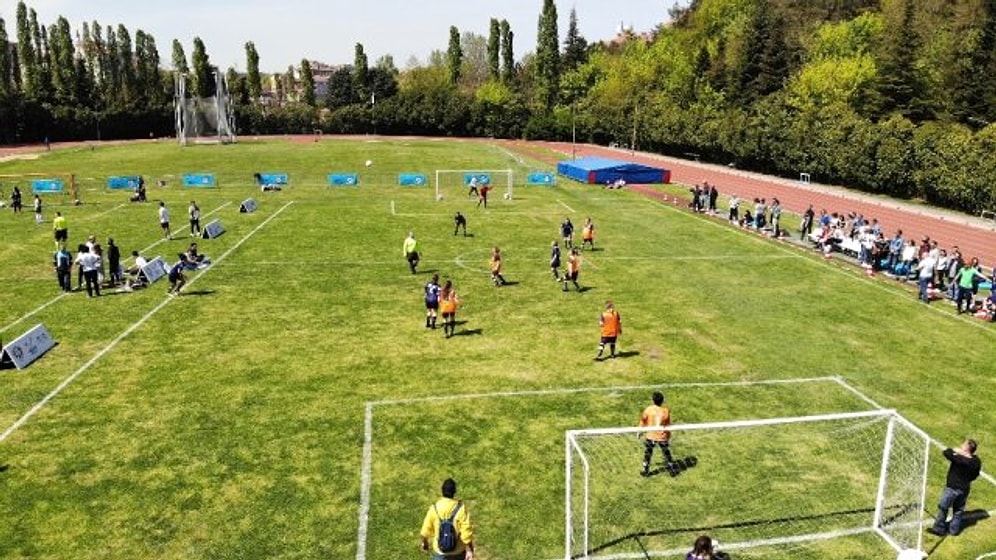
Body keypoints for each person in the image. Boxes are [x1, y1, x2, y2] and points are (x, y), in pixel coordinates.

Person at [929, 439, 981, 537]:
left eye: (963, 444)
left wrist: (957, 452)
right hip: (965, 489)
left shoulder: (959, 459)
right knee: (958, 510)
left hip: (952, 489)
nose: (961, 445)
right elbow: (975, 475)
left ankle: (939, 529)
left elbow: (947, 452)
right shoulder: (976, 461)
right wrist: (961, 453)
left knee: (943, 507)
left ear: (966, 448)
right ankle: (954, 530)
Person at [420, 478, 474, 560]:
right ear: (454, 491)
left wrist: (425, 542)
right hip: (458, 551)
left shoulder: (434, 508)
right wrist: (469, 549)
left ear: (442, 491)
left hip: (440, 552)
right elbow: (466, 530)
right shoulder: (461, 508)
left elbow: (426, 529)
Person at [640, 391, 674, 477]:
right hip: (662, 436)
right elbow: (668, 425)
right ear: (662, 401)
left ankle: (645, 469)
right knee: (666, 452)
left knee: (648, 452)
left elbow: (643, 420)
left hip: (651, 436)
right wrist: (668, 435)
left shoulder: (648, 409)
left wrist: (640, 430)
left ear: (653, 400)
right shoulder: (665, 411)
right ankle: (671, 468)